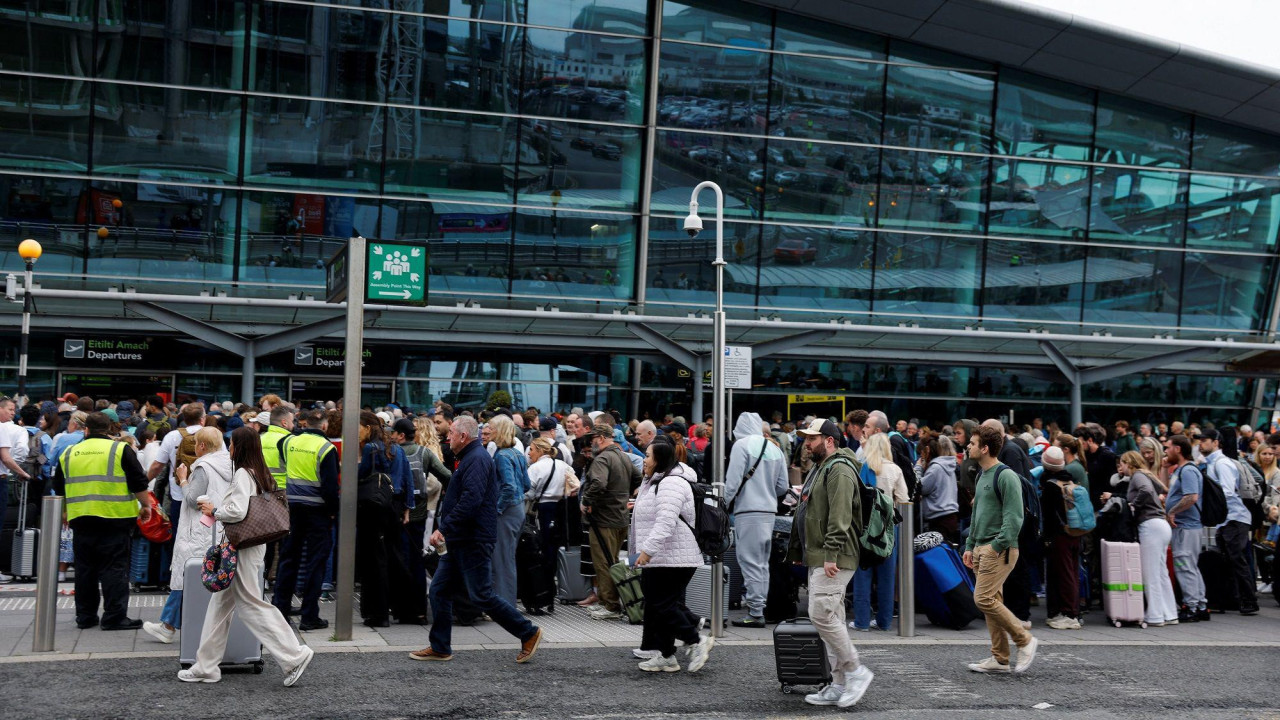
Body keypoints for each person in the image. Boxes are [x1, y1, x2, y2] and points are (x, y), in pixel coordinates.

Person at [178, 427, 315, 686]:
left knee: (252, 605)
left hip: (241, 548)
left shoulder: (242, 473)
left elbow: (237, 511)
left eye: (231, 445)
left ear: (239, 448)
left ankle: (294, 655)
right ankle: (205, 666)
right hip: (249, 547)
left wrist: (214, 509)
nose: (228, 449)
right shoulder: (258, 472)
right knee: (219, 608)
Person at [409, 416, 543, 663]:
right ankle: (440, 647)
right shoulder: (470, 457)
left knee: (481, 595)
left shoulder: (477, 460)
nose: (447, 438)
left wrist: (444, 528)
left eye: (450, 433)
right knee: (439, 590)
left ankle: (528, 632)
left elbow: (472, 500)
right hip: (462, 538)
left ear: (462, 436)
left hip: (473, 539)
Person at [786, 418, 874, 708]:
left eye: (812, 439)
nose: (806, 444)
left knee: (820, 613)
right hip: (822, 554)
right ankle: (838, 683)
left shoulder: (839, 469)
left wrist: (831, 554)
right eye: (806, 439)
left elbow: (840, 516)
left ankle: (856, 671)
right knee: (831, 616)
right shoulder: (823, 467)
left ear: (829, 441)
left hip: (834, 554)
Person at [53, 411, 152, 630]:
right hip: (115, 518)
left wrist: (64, 511)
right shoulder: (119, 449)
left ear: (85, 429)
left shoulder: (69, 452)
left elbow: (59, 486)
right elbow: (138, 482)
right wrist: (145, 506)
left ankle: (85, 617)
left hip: (80, 517)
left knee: (85, 569)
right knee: (114, 568)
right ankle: (114, 617)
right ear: (109, 429)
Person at [631, 437, 715, 673]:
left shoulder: (672, 483)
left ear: (659, 459)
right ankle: (667, 654)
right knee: (659, 604)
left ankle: (695, 639)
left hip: (675, 556)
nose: (644, 460)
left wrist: (647, 551)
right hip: (663, 556)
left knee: (662, 605)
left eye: (647, 455)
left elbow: (666, 522)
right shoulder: (656, 480)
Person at [143, 427, 233, 644]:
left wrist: (183, 479)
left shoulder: (203, 467)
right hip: (218, 528)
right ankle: (170, 624)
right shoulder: (228, 463)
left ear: (202, 446)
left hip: (199, 529)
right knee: (202, 577)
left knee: (187, 576)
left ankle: (168, 626)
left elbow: (193, 500)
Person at [963, 424, 1038, 674]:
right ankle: (1000, 658)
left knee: (982, 599)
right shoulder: (981, 474)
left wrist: (996, 546)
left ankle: (1024, 640)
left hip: (999, 549)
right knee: (991, 601)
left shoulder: (1005, 475)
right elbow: (976, 515)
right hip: (982, 547)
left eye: (972, 443)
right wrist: (970, 546)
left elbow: (1014, 517)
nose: (968, 446)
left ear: (985, 448)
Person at [273, 408, 339, 632]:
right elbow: (330, 486)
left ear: (305, 422)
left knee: (288, 558)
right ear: (324, 426)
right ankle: (309, 615)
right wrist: (333, 511)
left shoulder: (288, 442)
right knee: (315, 562)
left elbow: (285, 464)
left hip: (292, 508)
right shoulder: (326, 448)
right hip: (318, 512)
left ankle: (280, 609)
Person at [724, 411, 789, 628]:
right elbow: (783, 487)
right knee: (762, 564)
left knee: (749, 562)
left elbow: (731, 483)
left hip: (748, 511)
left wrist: (722, 503)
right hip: (769, 513)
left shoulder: (741, 446)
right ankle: (758, 607)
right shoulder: (774, 448)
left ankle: (755, 612)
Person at [356, 411, 415, 628]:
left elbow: (359, 476)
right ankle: (406, 610)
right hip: (395, 507)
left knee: (374, 561)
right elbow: (407, 478)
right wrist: (407, 508)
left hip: (374, 508)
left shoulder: (371, 449)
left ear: (368, 428)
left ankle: (377, 613)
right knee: (396, 557)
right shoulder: (396, 449)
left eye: (358, 427)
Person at [582, 423, 642, 621]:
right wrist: (625, 496)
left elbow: (599, 483)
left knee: (603, 562)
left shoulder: (603, 458)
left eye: (593, 438)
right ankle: (610, 602)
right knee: (613, 560)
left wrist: (587, 501)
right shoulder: (623, 456)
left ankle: (610, 605)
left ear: (600, 438)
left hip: (603, 519)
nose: (591, 442)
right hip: (620, 518)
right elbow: (638, 477)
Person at [850, 433, 908, 632]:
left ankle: (862, 621)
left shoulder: (861, 468)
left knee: (863, 574)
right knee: (886, 577)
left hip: (865, 528)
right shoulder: (895, 469)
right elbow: (904, 499)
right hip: (888, 528)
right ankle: (884, 621)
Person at [1198, 429, 1259, 615]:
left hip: (1234, 518)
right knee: (1228, 560)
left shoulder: (1222, 463)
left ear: (1216, 442)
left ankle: (1249, 600)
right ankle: (1233, 599)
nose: (1200, 444)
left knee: (1236, 559)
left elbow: (1227, 492)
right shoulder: (1213, 463)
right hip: (1227, 520)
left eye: (1205, 440)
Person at [1117, 451, 1178, 626]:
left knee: (1150, 574)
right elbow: (1158, 489)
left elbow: (1145, 490)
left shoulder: (1137, 476)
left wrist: (1132, 506)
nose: (1121, 467)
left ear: (1129, 463)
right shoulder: (1146, 474)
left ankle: (1155, 615)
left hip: (1150, 525)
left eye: (1122, 463)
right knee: (1160, 572)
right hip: (1161, 525)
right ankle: (1169, 613)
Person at [1164, 435, 1208, 622]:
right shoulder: (1181, 470)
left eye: (1168, 448)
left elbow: (1192, 497)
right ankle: (1199, 605)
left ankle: (1191, 607)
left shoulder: (1188, 471)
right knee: (1190, 566)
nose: (1166, 451)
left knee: (1184, 566)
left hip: (1186, 527)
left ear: (1178, 449)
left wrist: (1172, 511)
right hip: (1186, 527)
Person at [1038, 446, 1082, 630]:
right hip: (1075, 533)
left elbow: (1047, 516)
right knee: (1071, 572)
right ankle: (1070, 611)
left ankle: (1069, 614)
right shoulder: (1071, 480)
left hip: (1059, 536)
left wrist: (1045, 538)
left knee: (1062, 575)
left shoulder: (1050, 486)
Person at [489, 414, 531, 608]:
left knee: (502, 559)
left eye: (491, 427)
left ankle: (504, 605)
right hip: (518, 510)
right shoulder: (517, 454)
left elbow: (509, 487)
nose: (488, 430)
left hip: (506, 512)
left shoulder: (502, 455)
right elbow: (526, 485)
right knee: (507, 558)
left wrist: (497, 509)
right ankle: (506, 602)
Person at [525, 437, 568, 615]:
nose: (529, 453)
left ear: (541, 450)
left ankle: (541, 592)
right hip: (561, 510)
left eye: (532, 450)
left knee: (540, 552)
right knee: (553, 551)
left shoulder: (535, 468)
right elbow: (573, 484)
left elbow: (528, 492)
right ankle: (551, 592)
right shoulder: (563, 466)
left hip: (543, 509)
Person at [917, 434, 960, 545]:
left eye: (921, 453)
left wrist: (918, 468)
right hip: (950, 517)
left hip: (939, 519)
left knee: (937, 555)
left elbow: (920, 487)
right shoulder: (947, 465)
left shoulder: (935, 468)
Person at [260, 406, 294, 489]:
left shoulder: (259, 439)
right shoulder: (291, 441)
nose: (293, 424)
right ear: (284, 423)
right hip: (282, 489)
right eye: (292, 421)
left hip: (261, 488)